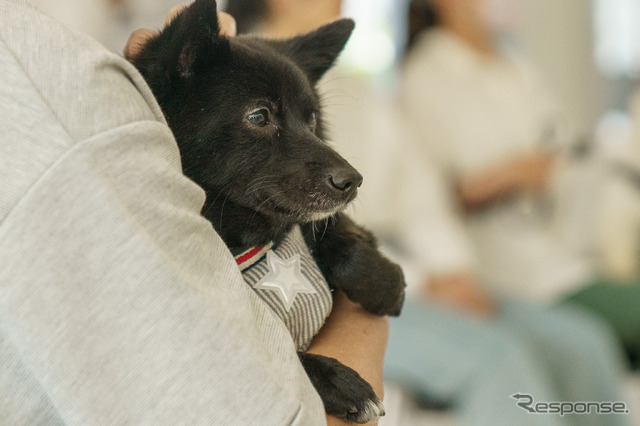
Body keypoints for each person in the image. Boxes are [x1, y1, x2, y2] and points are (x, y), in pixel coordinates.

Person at [223, 1, 634, 425]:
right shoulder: (229, 83)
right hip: (328, 280)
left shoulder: (360, 91)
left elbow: (417, 193)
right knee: (500, 362)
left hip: (411, 269)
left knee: (584, 344)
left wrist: (450, 268)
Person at [0, 1, 388, 425]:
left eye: (309, 123)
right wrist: (362, 318)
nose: (341, 171)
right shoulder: (39, 90)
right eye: (260, 118)